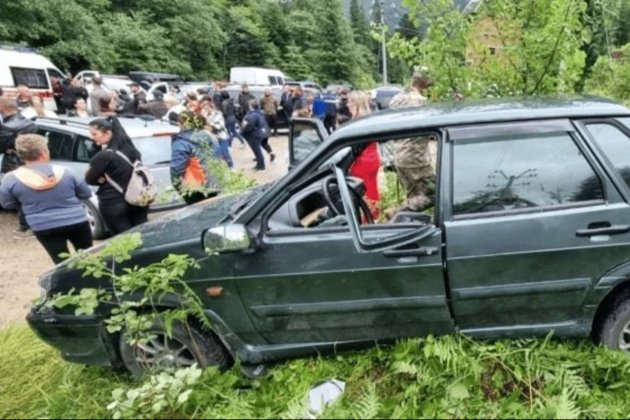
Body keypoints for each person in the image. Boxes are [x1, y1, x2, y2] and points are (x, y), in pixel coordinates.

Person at [0, 134, 93, 263]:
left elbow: (7, 204)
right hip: (76, 220)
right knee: (87, 255)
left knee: (60, 261)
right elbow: (86, 194)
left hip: (43, 225)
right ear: (44, 152)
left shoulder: (11, 179)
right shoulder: (66, 171)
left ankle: (69, 282)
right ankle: (92, 282)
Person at [85, 117, 148, 234]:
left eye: (94, 134)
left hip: (113, 202)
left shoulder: (104, 156)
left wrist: (101, 179)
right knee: (142, 234)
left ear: (108, 133)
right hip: (138, 199)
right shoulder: (132, 151)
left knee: (122, 240)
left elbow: (89, 179)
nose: (91, 137)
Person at [385, 75, 436, 218]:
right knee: (436, 193)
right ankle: (396, 213)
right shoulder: (420, 101)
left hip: (400, 155)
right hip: (415, 157)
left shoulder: (397, 98)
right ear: (424, 84)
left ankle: (405, 222)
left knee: (414, 196)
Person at [0, 97, 38, 233]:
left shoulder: (6, 127)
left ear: (2, 108)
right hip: (34, 161)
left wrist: (8, 149)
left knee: (18, 195)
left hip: (14, 163)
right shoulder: (30, 123)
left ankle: (26, 225)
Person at [170, 111, 220, 205]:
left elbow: (177, 168)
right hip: (213, 182)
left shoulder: (181, 142)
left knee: (198, 213)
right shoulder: (206, 136)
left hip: (194, 186)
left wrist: (177, 185)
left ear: (180, 124)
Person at [346, 91, 381, 219]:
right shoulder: (369, 119)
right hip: (373, 159)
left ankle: (366, 219)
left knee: (361, 191)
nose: (347, 104)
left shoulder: (356, 122)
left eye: (349, 101)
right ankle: (375, 216)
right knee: (372, 189)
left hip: (362, 161)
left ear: (355, 103)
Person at [201, 98, 233, 169]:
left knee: (224, 152)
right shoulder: (205, 114)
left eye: (206, 108)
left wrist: (209, 124)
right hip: (212, 137)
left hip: (222, 136)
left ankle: (231, 167)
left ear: (211, 106)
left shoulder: (218, 114)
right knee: (216, 154)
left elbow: (220, 126)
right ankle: (222, 168)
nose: (205, 109)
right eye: (204, 108)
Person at [241, 100, 270, 171]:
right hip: (258, 134)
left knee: (257, 151)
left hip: (254, 135)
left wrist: (243, 130)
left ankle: (261, 166)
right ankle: (259, 165)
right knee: (257, 151)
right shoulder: (259, 113)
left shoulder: (252, 115)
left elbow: (248, 125)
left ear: (251, 106)